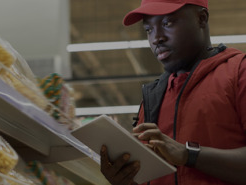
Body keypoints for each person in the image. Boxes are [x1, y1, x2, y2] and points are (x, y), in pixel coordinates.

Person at [100, 0, 246, 184]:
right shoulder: (153, 99)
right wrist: (125, 179)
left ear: (201, 19)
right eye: (149, 30)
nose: (156, 38)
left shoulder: (239, 73)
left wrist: (188, 155)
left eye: (167, 23)